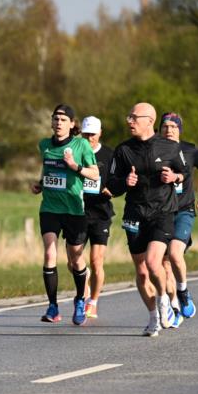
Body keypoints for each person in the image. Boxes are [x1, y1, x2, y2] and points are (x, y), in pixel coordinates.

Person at [106, 102, 188, 337]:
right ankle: (153, 318)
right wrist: (124, 183)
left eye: (134, 117)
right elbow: (111, 185)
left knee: (154, 263)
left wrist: (174, 176)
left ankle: (164, 301)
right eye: (128, 117)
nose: (129, 121)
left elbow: (184, 172)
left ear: (149, 120)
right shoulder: (122, 151)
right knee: (142, 272)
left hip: (162, 212)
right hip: (134, 214)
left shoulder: (170, 147)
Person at [31, 104, 99, 325]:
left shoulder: (81, 145)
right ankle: (52, 307)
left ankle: (80, 299)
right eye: (55, 119)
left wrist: (74, 166)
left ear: (72, 124)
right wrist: (41, 184)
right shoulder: (45, 145)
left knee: (75, 259)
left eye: (63, 119)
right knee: (50, 253)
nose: (58, 123)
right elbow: (47, 170)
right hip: (50, 208)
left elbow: (95, 175)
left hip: (74, 211)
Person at [158, 112, 198, 322]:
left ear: (179, 129)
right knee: (163, 264)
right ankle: (173, 306)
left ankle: (183, 292)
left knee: (174, 254)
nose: (169, 130)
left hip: (184, 210)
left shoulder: (190, 150)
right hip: (161, 212)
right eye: (165, 126)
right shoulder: (153, 149)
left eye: (173, 126)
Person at [77, 116, 114, 319]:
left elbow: (119, 178)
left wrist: (113, 189)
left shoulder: (109, 154)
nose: (89, 137)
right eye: (86, 133)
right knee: (74, 261)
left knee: (96, 260)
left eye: (92, 133)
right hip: (77, 211)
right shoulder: (75, 150)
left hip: (100, 212)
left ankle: (93, 302)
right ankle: (85, 288)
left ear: (100, 133)